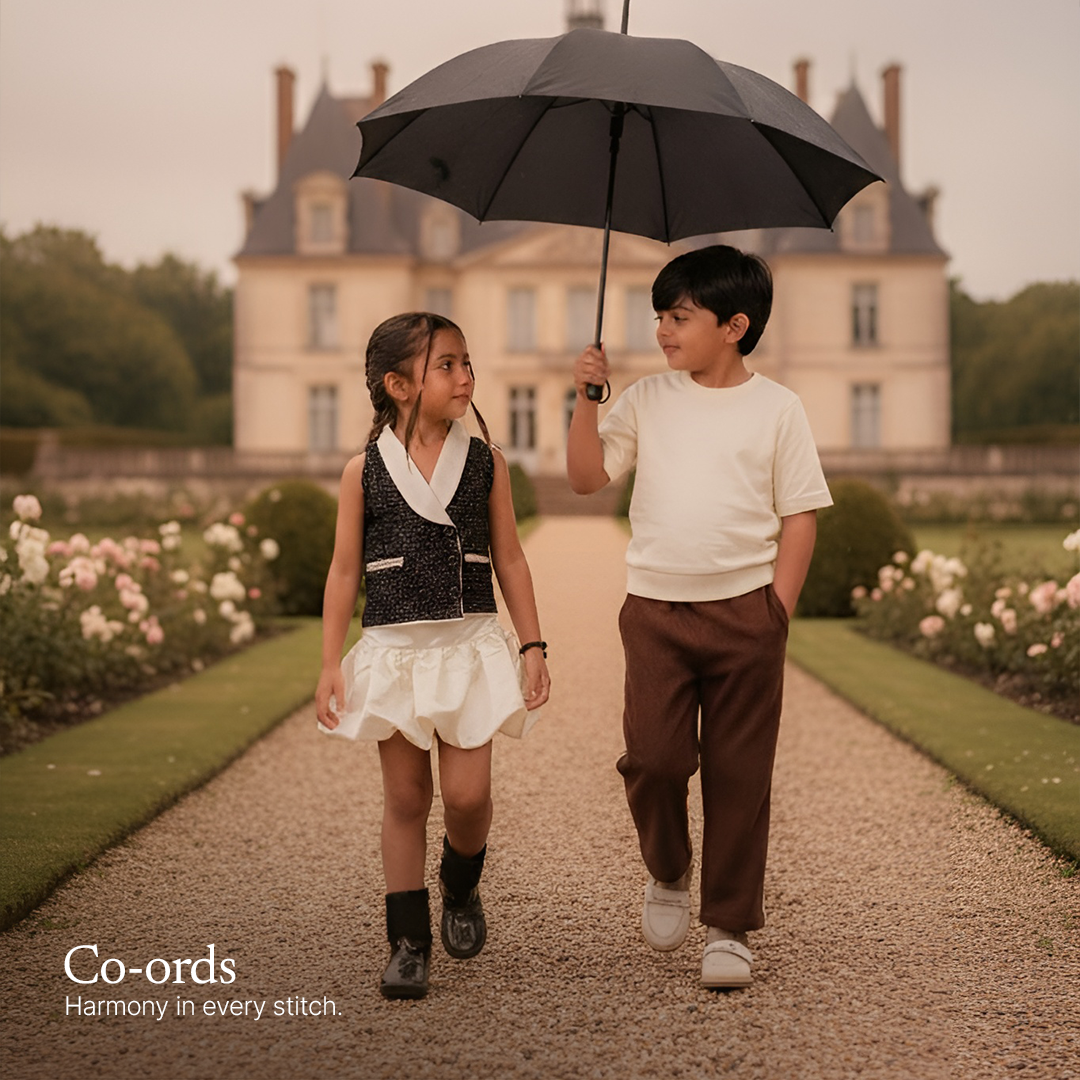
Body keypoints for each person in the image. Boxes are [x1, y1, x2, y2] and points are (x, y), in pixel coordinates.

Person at [566, 245, 831, 989]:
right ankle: (669, 868)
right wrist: (586, 401)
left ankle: (729, 927)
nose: (662, 330)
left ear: (734, 326)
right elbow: (585, 478)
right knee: (653, 760)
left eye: (679, 317)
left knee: (740, 775)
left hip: (748, 615)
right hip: (655, 610)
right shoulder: (647, 398)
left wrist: (777, 612)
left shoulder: (778, 408)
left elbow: (801, 516)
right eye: (660, 316)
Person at [316, 312, 550, 1000]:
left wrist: (533, 644)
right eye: (447, 365)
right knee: (406, 798)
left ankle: (460, 882)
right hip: (395, 651)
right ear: (398, 385)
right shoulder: (362, 472)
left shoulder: (486, 463)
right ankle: (408, 942)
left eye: (466, 362)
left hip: (468, 645)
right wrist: (330, 663)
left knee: (469, 799)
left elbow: (510, 557)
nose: (465, 376)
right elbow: (342, 571)